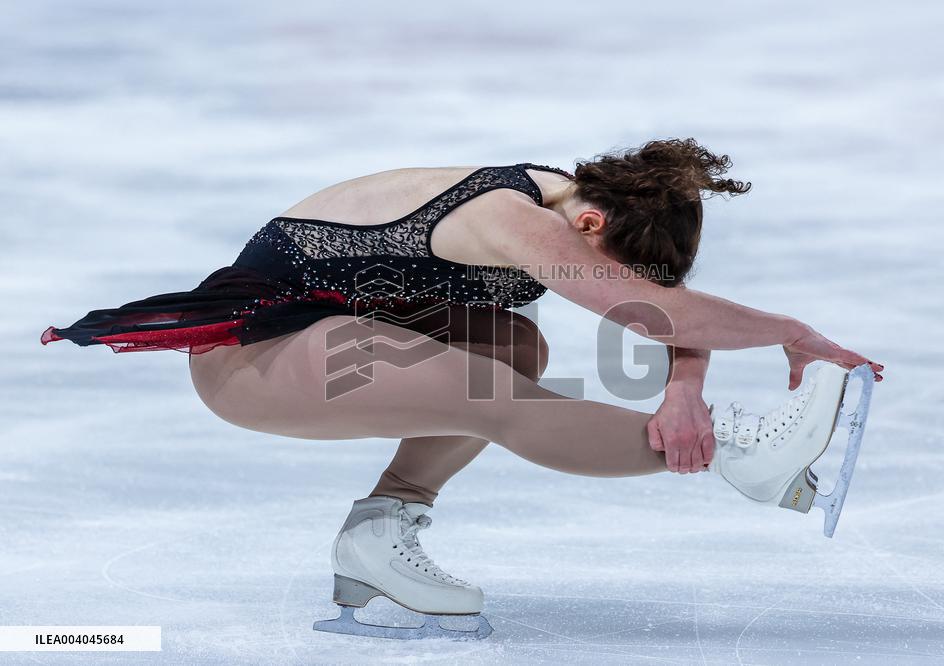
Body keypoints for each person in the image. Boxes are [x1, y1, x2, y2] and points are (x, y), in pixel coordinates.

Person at [42, 139, 883, 639]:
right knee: (485, 389)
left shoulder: (557, 197)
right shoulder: (513, 218)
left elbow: (662, 310)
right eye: (614, 259)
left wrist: (684, 392)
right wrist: (791, 331)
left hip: (341, 336)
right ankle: (744, 464)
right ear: (591, 225)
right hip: (260, 358)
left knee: (510, 340)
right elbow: (658, 311)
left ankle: (379, 538)